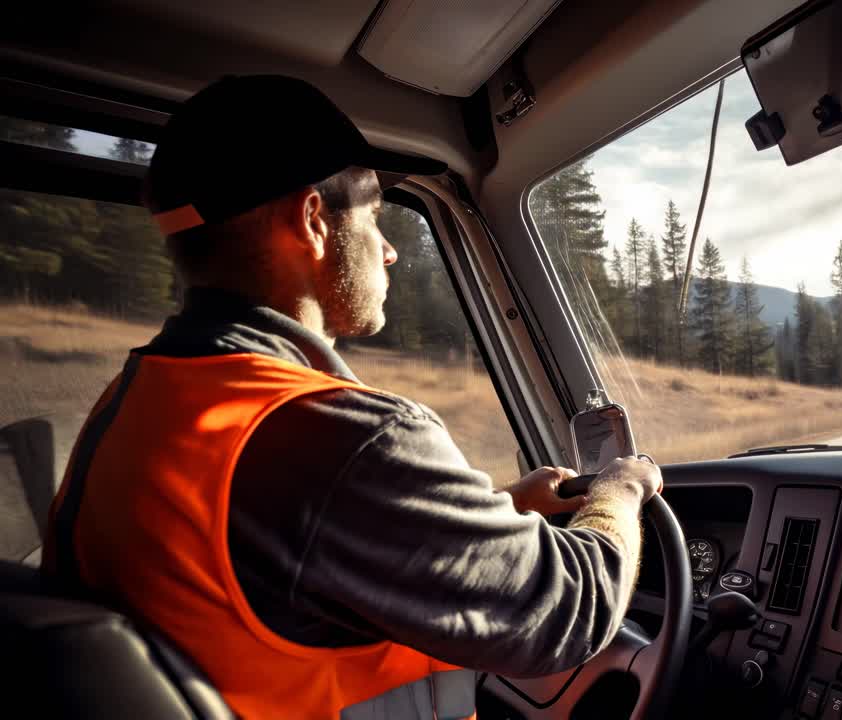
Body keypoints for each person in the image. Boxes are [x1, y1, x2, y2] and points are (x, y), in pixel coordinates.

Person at [42, 75, 662, 720]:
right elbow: (568, 609)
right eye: (373, 215)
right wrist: (619, 488)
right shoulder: (335, 434)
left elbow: (291, 554)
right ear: (313, 221)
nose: (390, 250)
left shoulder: (141, 397)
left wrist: (499, 508)